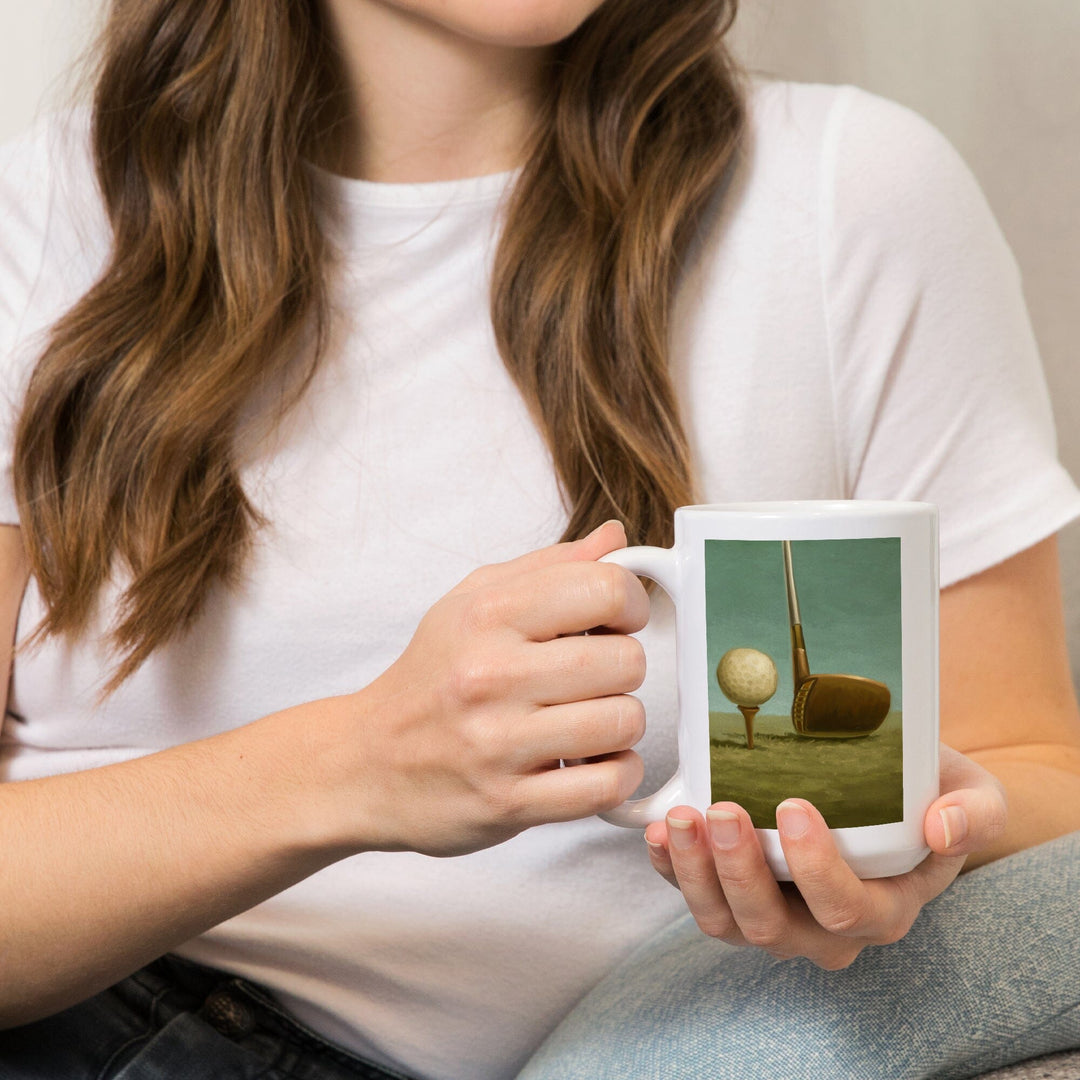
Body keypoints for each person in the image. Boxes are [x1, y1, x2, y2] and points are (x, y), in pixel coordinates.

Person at [0, 1, 1078, 1078]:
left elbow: (1033, 767)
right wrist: (359, 764)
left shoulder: (853, 196)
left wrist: (928, 847)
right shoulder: (39, 219)